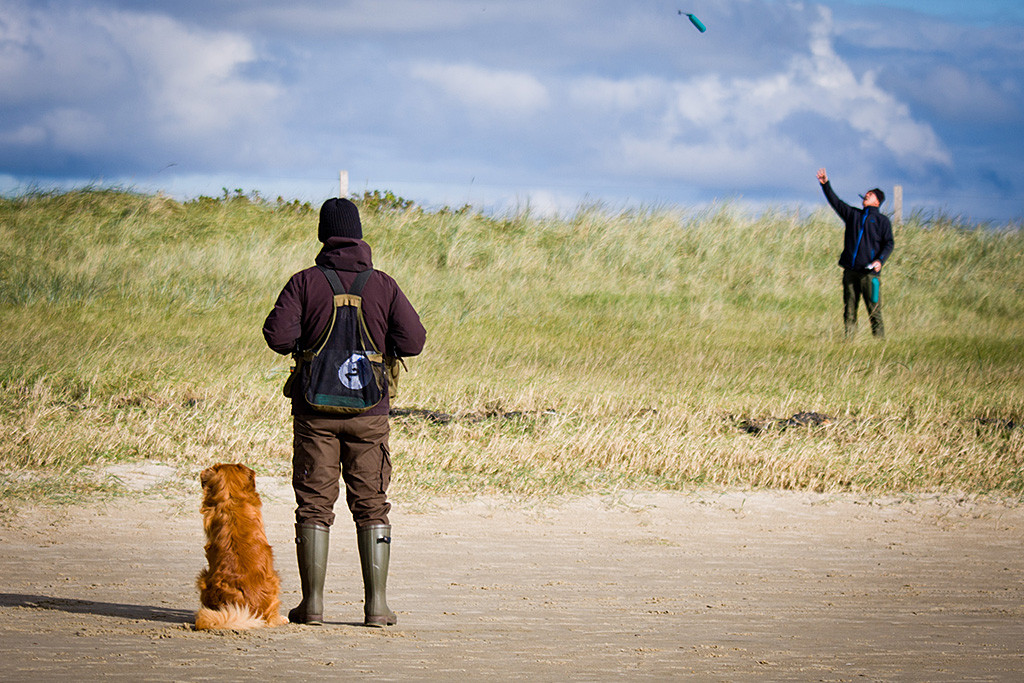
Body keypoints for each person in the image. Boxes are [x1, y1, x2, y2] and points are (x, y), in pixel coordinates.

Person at [263, 197, 426, 627]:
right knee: (372, 505)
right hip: (370, 411)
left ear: (323, 235)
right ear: (358, 235)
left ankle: (312, 606)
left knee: (314, 506)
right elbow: (413, 342)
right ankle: (377, 608)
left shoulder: (304, 282)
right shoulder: (384, 285)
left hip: (314, 411)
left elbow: (278, 337)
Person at [816, 168, 894, 338]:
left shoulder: (882, 221)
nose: (866, 196)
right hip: (850, 271)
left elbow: (889, 243)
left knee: (874, 311)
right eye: (866, 194)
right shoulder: (853, 215)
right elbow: (836, 202)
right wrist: (825, 185)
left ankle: (879, 344)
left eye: (870, 195)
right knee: (849, 310)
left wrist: (880, 260)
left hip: (870, 275)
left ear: (877, 201)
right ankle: (849, 342)